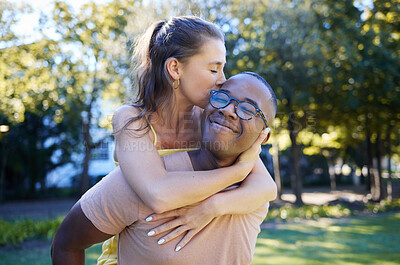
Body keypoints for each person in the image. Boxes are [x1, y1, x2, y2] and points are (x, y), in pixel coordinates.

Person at [85, 16, 276, 264]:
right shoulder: (132, 120)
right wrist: (238, 172)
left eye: (223, 68)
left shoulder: (209, 120)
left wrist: (212, 206)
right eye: (213, 68)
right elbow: (158, 193)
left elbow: (266, 188)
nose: (222, 79)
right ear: (175, 69)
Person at [51, 72, 278, 264]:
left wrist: (215, 204)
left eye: (248, 109)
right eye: (222, 97)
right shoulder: (143, 181)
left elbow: (268, 188)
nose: (228, 110)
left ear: (264, 136)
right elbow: (65, 244)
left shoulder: (253, 191)